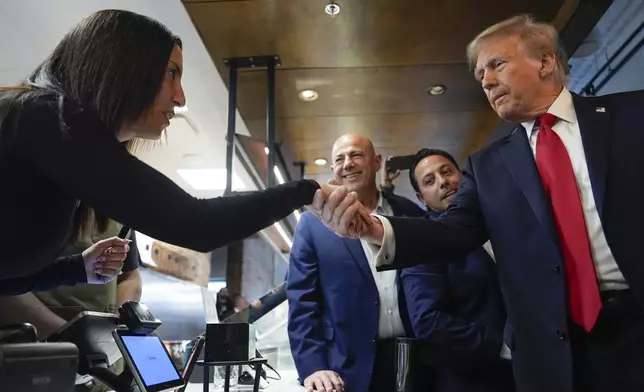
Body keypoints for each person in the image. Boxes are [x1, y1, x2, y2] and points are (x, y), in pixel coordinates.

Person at [312, 14, 644, 392]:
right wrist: (373, 228)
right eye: (480, 75)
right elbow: (451, 232)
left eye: (496, 64)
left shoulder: (632, 116)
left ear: (546, 62)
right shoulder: (487, 167)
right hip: (552, 355)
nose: (486, 81)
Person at [0, 10, 357, 294]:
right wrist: (305, 191)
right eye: (171, 73)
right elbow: (196, 224)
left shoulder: (54, 133)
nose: (180, 97)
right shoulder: (51, 118)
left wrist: (76, 269)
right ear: (124, 66)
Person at [287, 134, 425, 392]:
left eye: (356, 155)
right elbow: (302, 301)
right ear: (332, 171)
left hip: (417, 361)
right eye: (339, 159)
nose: (348, 164)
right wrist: (313, 367)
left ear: (376, 162)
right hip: (347, 370)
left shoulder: (410, 213)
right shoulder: (312, 225)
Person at [395, 148, 514, 392]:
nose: (443, 182)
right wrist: (502, 347)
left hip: (535, 370)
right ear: (421, 198)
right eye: (430, 181)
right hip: (474, 378)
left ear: (462, 175)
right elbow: (428, 320)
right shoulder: (422, 244)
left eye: (447, 171)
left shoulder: (501, 221)